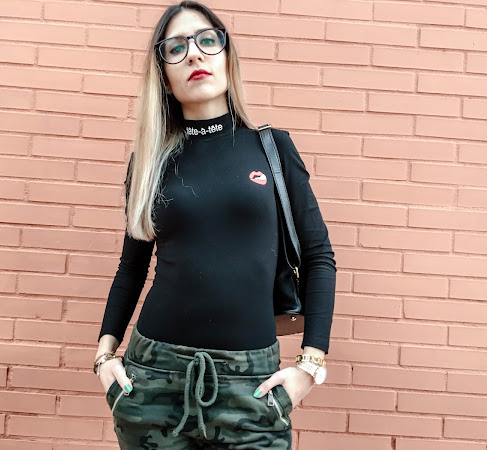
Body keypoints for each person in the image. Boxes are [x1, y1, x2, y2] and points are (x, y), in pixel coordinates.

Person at [93, 1, 337, 448]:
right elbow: (131, 269)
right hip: (153, 377)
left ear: (227, 56)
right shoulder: (149, 163)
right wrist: (104, 356)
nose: (194, 54)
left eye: (207, 40)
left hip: (252, 384)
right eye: (175, 48)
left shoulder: (272, 150)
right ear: (163, 75)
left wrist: (310, 365)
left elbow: (319, 257)